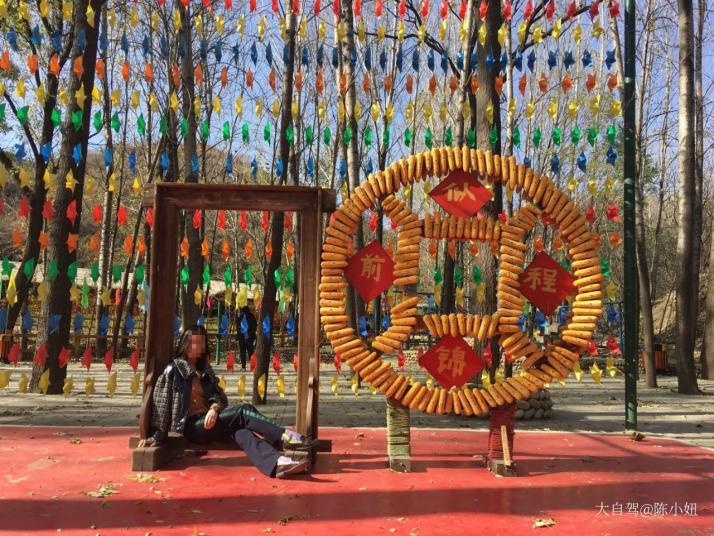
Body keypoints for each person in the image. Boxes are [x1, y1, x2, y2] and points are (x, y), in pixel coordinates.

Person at [144, 325, 314, 478]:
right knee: (243, 410)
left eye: (200, 343)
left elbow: (220, 396)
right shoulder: (173, 370)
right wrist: (156, 435)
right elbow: (161, 404)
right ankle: (284, 435)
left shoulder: (205, 370)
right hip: (193, 426)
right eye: (193, 342)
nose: (197, 347)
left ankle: (277, 464)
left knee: (243, 433)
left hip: (212, 420)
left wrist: (214, 408)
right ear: (185, 344)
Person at [237, 305, 257, 370]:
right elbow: (254, 327)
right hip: (248, 337)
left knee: (243, 352)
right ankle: (252, 366)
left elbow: (238, 327)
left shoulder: (241, 317)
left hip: (243, 337)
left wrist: (243, 335)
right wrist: (249, 334)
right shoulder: (251, 316)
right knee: (250, 352)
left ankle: (244, 367)